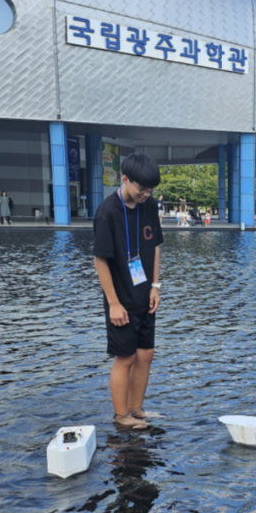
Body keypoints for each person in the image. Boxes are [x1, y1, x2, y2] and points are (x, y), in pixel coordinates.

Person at [93, 153, 164, 430]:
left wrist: (156, 286)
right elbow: (100, 260)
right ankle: (121, 416)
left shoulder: (150, 206)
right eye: (141, 189)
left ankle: (137, 408)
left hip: (146, 293)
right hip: (120, 297)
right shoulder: (108, 211)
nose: (146, 194)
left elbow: (155, 247)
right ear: (125, 179)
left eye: (151, 190)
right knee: (126, 357)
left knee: (146, 354)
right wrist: (113, 303)